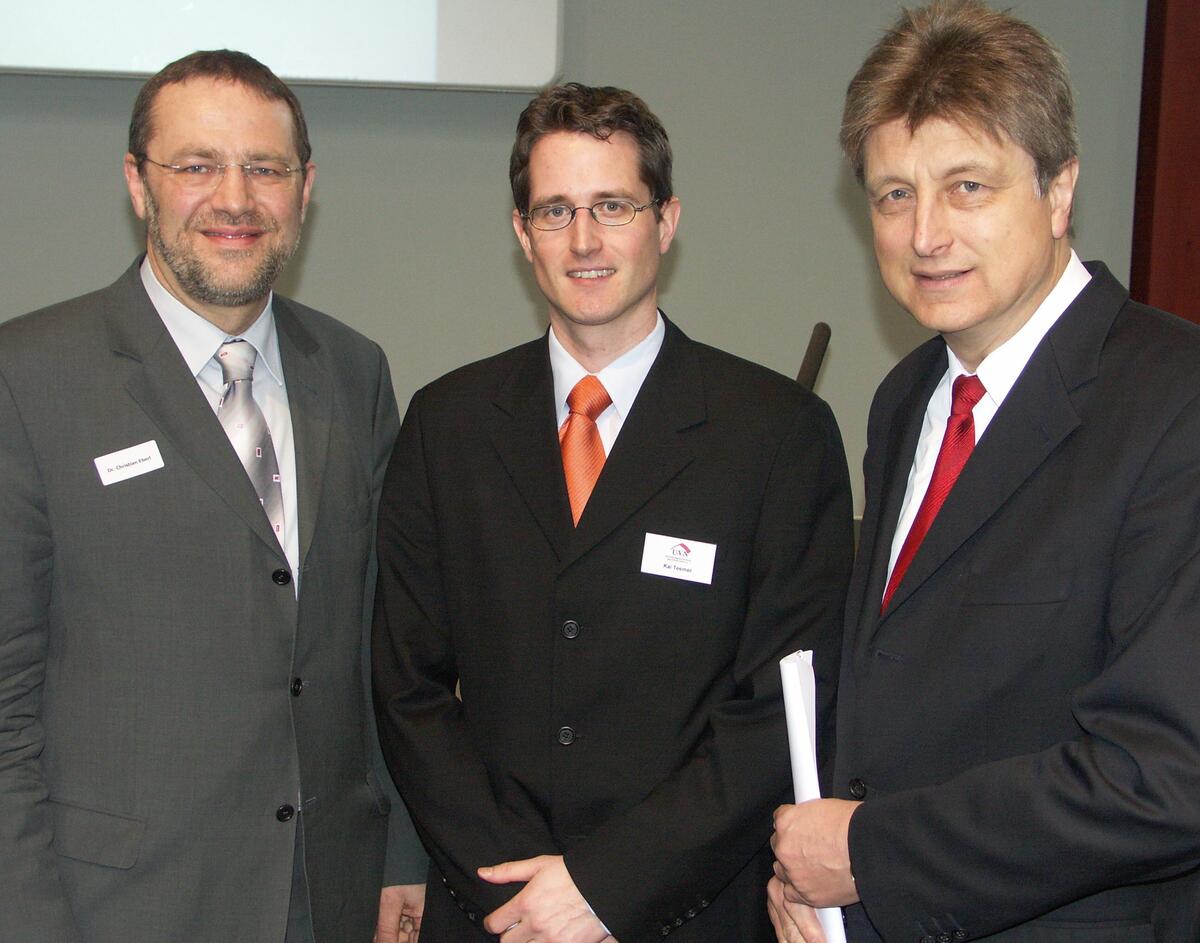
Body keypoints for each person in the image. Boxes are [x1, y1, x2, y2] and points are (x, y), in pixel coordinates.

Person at [372, 82, 853, 943]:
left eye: (613, 206)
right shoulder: (446, 424)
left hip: (688, 912)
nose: (585, 239)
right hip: (495, 912)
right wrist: (520, 895)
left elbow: (776, 709)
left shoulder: (777, 434)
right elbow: (408, 689)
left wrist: (604, 888)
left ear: (666, 221)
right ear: (522, 233)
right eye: (555, 211)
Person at [768, 3, 1200, 941]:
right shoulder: (906, 398)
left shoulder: (1177, 402)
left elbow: (1166, 773)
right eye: (894, 194)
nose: (925, 234)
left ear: (1059, 190)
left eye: (967, 186)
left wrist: (870, 855)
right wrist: (817, 886)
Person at [0, 50, 426, 943]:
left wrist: (401, 856)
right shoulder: (27, 378)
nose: (235, 199)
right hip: (118, 910)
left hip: (329, 899)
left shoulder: (354, 372)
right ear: (138, 182)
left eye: (265, 168)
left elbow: (383, 648)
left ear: (304, 190)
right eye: (197, 165)